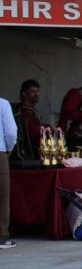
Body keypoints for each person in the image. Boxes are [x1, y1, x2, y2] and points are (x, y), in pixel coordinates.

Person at [12, 79, 43, 161]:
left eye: (38, 91)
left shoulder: (33, 110)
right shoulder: (21, 112)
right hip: (25, 155)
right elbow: (32, 131)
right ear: (24, 94)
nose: (36, 94)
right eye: (32, 92)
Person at [0, 94, 16, 249]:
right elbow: (11, 133)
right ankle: (2, 236)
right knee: (3, 197)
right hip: (0, 153)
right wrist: (8, 149)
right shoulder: (2, 104)